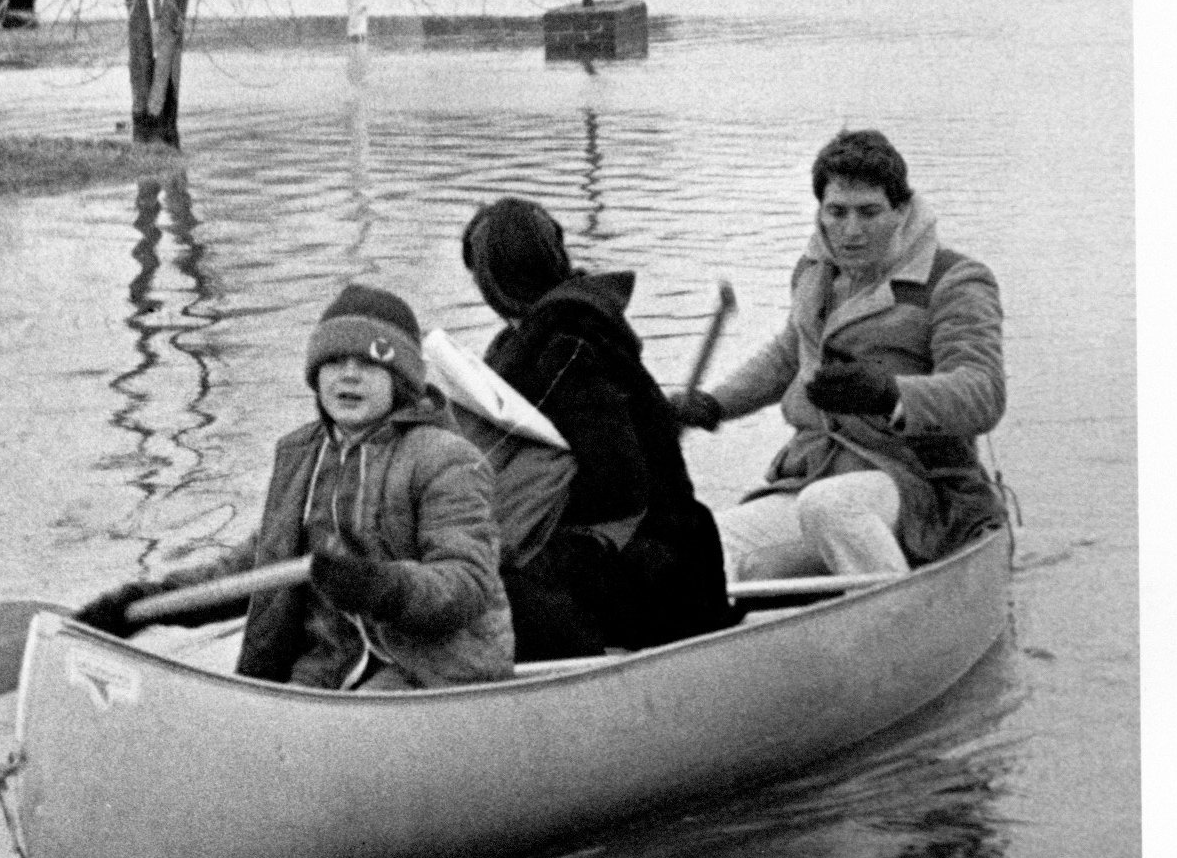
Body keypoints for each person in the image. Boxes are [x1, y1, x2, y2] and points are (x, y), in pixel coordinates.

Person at [75, 283, 514, 690]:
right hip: (330, 665)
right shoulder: (303, 455)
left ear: (401, 381)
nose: (348, 376)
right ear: (316, 376)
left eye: (368, 365)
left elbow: (466, 582)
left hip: (427, 669)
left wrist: (377, 586)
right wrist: (144, 603)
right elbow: (256, 566)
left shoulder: (447, 458)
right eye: (335, 362)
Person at [668, 129, 1006, 580]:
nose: (851, 231)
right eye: (837, 212)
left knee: (831, 507)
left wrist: (890, 394)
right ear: (821, 213)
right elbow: (788, 355)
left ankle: (895, 623)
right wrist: (714, 404)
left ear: (901, 211)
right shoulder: (815, 274)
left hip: (921, 485)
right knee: (716, 543)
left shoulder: (956, 280)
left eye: (869, 212)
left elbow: (983, 392)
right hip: (818, 473)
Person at [460, 197, 734, 658]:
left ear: (491, 281)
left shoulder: (566, 347)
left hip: (656, 556)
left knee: (501, 586)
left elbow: (619, 484)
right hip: (668, 540)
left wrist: (524, 500)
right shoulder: (572, 329)